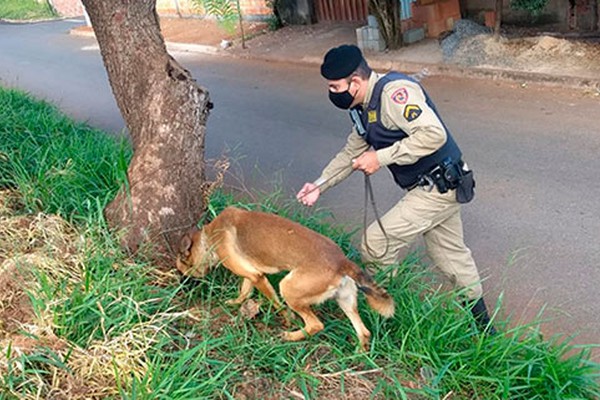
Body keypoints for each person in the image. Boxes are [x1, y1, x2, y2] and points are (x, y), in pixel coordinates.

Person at [296, 44, 495, 333]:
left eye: (335, 86)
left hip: (439, 186)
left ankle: (388, 314)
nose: (332, 93)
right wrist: (319, 185)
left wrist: (380, 157)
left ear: (355, 81)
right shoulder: (362, 108)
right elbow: (350, 153)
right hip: (430, 187)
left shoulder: (394, 93)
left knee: (375, 243)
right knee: (452, 258)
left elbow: (433, 134)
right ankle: (485, 332)